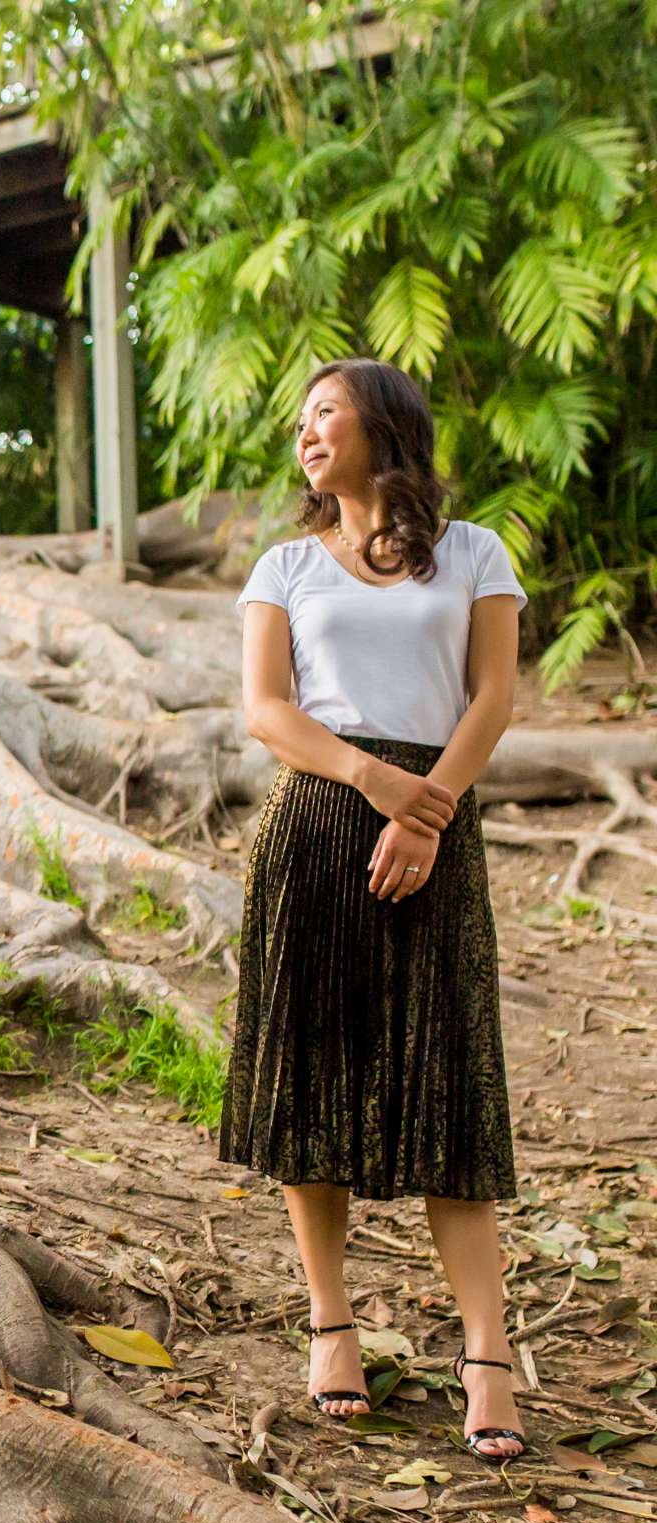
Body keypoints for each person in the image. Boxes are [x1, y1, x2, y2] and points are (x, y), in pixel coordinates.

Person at [227, 357, 530, 1461]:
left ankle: (487, 1349)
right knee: (311, 1078)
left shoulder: (476, 553)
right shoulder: (286, 566)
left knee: (452, 1076)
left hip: (436, 829)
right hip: (317, 828)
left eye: (327, 413)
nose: (307, 432)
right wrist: (376, 785)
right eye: (300, 418)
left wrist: (429, 808)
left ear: (384, 426)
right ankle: (332, 1322)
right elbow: (267, 709)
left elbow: (493, 694)